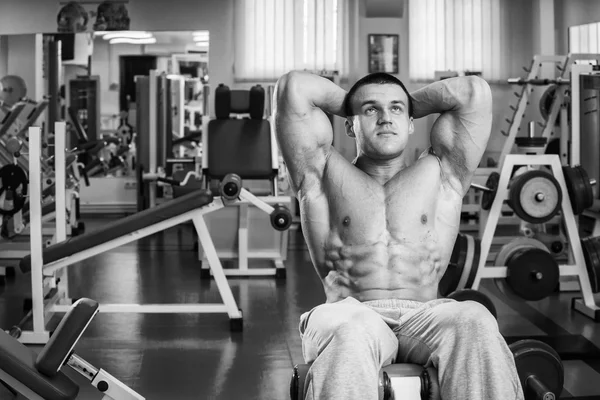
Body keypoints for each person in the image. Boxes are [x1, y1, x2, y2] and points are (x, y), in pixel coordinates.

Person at [272, 71, 524, 400]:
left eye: (395, 110)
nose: (385, 118)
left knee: (475, 318)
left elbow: (473, 92)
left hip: (425, 314)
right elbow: (294, 89)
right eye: (371, 110)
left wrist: (404, 102)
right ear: (350, 125)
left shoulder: (442, 172)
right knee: (352, 329)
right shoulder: (321, 174)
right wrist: (356, 103)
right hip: (351, 310)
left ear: (410, 122)